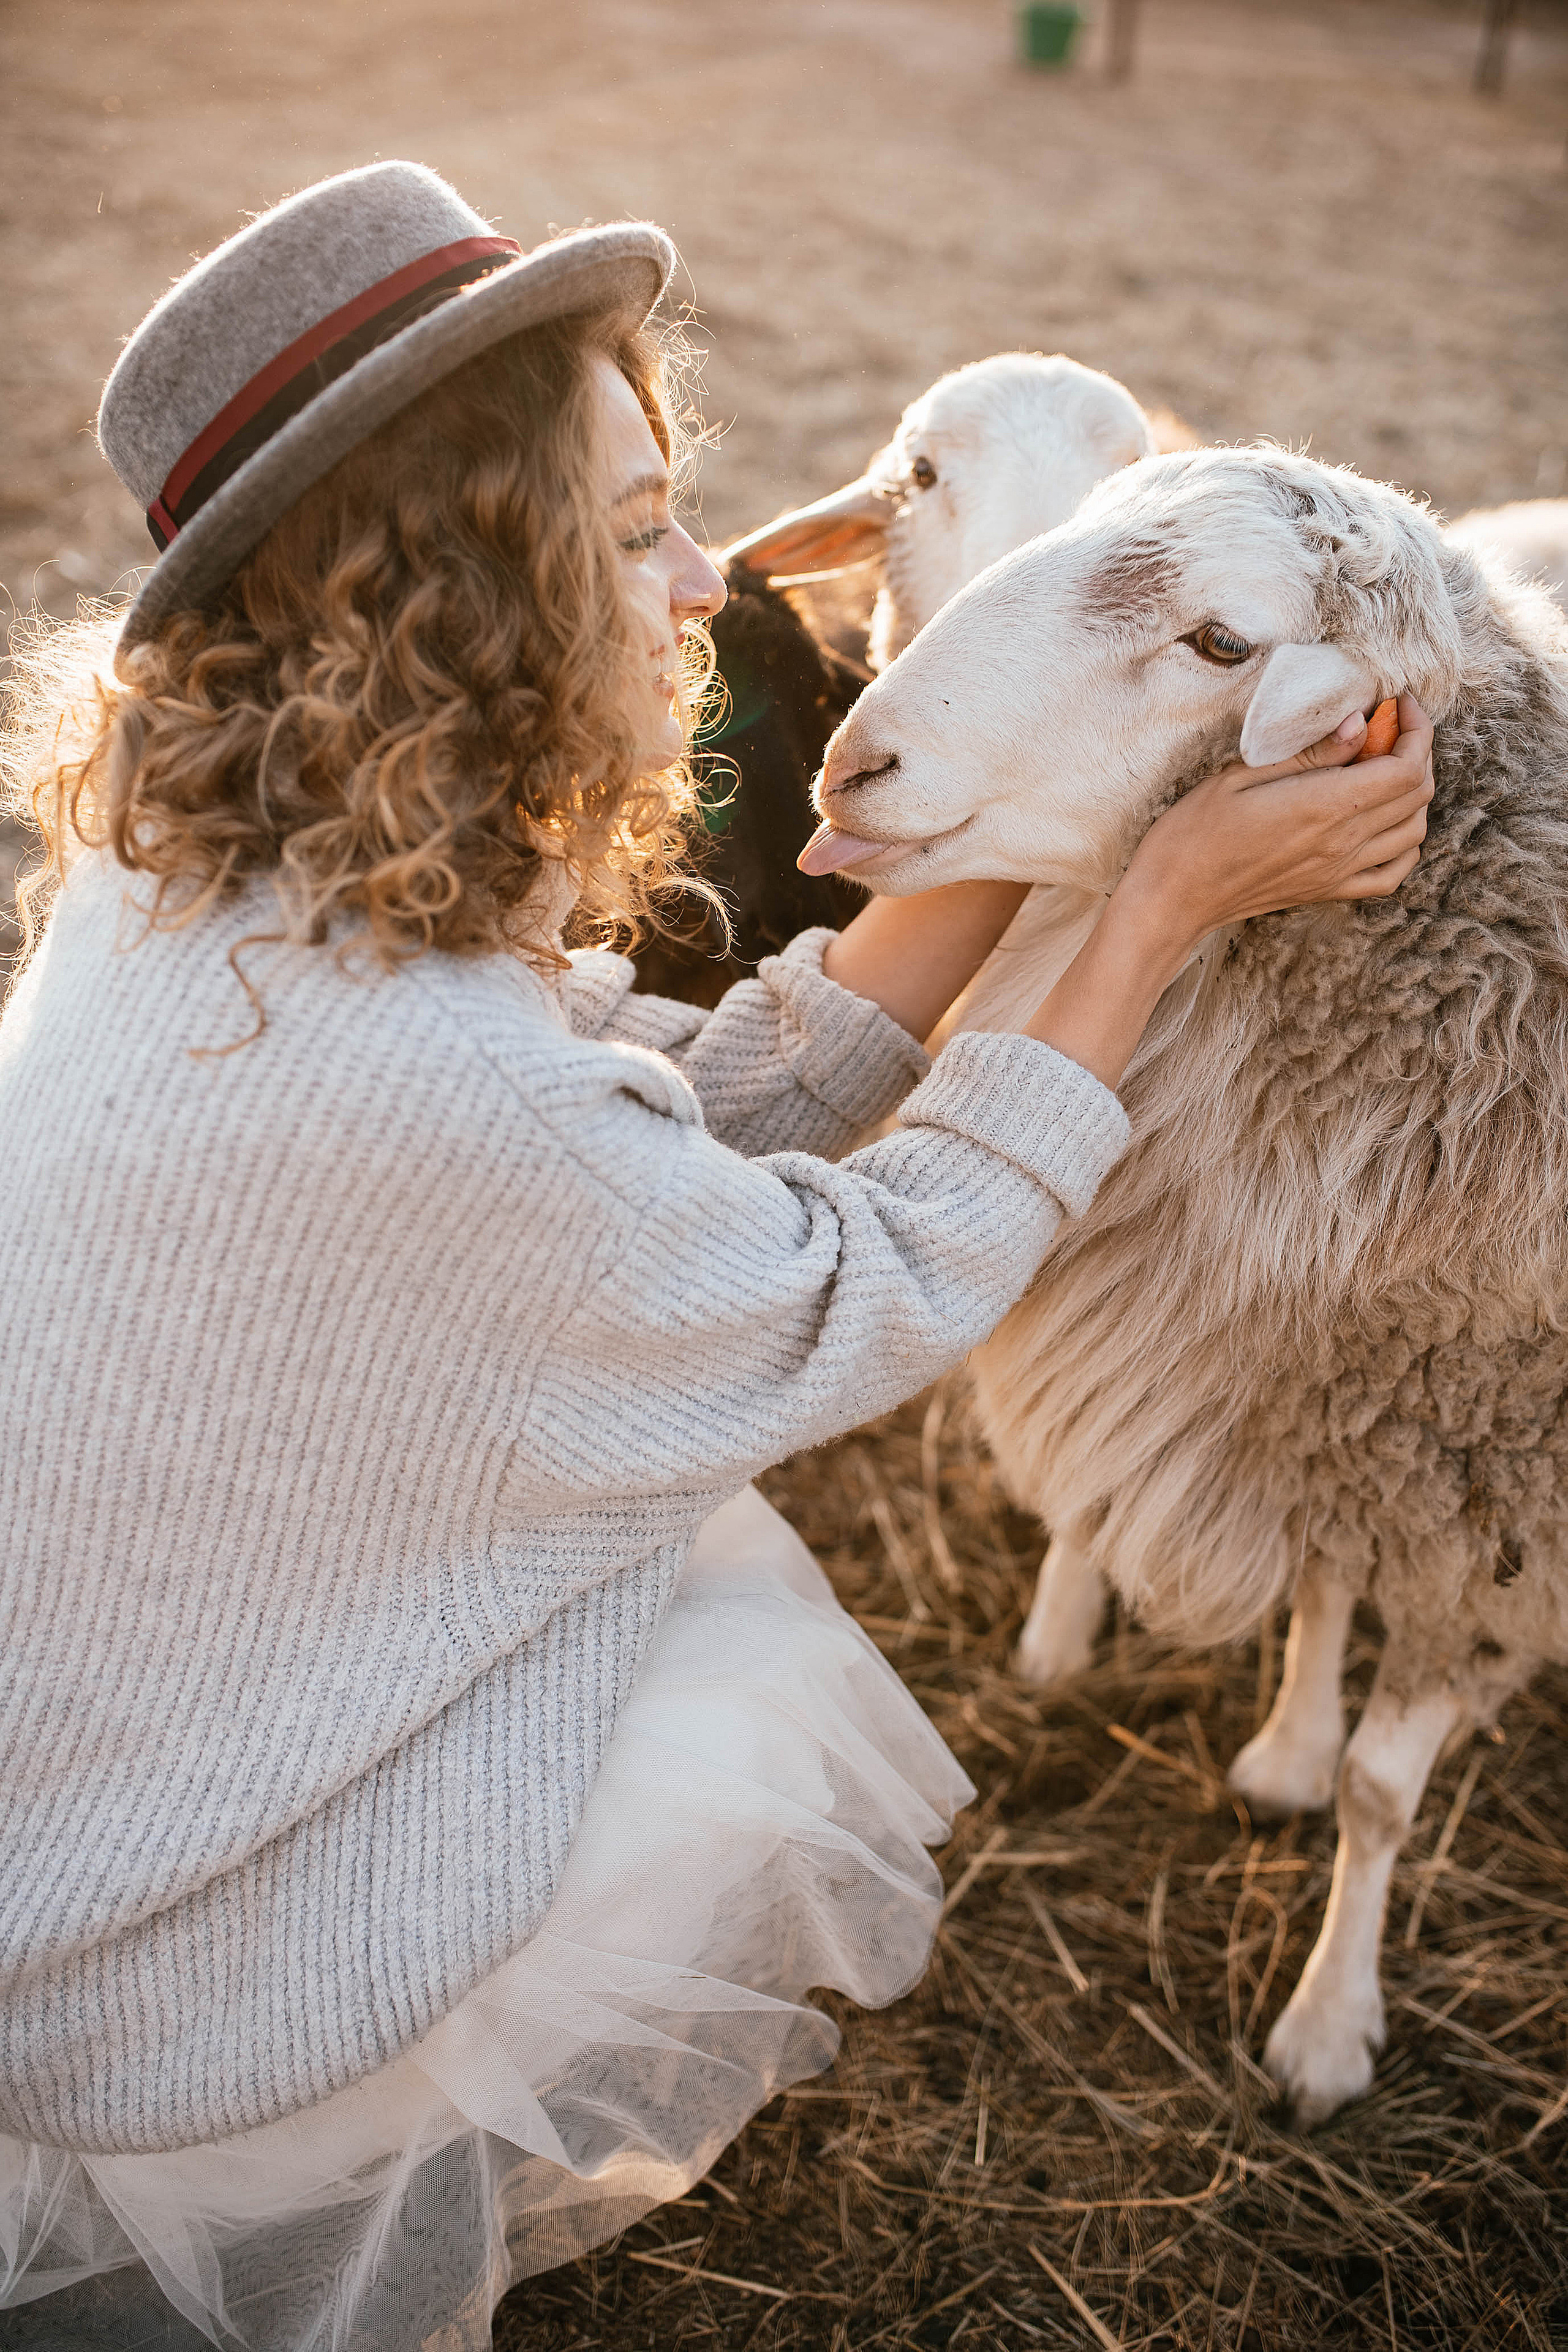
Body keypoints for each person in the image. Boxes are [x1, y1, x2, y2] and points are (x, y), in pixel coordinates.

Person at [0, 163, 1433, 2352]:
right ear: (462, 585)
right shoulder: (414, 1089)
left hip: (106, 1707)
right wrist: (1154, 917)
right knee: (723, 1667)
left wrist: (1042, 815)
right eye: (639, 524)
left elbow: (706, 1079)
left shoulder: (215, 880)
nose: (703, 586)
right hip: (166, 1923)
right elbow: (856, 1274)